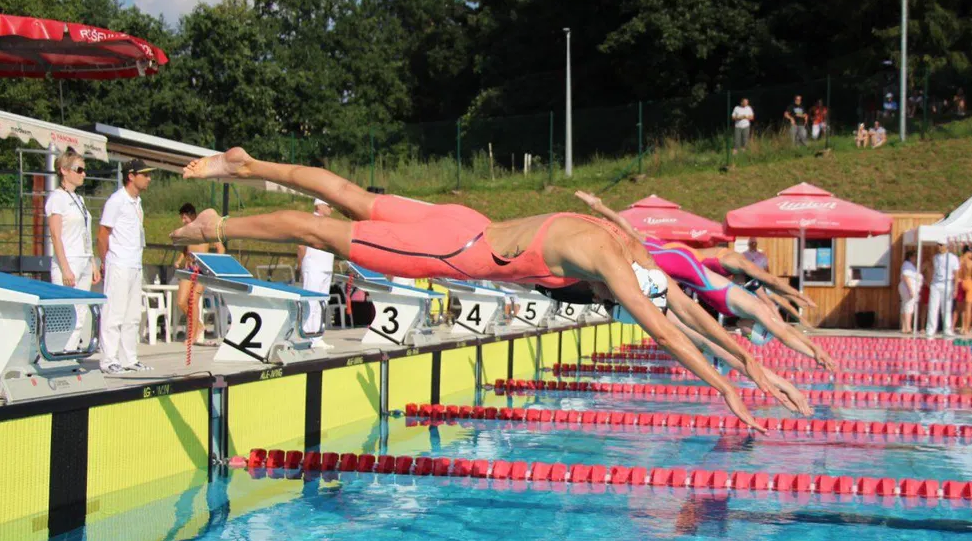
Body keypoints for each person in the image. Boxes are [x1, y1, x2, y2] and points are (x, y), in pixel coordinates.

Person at [171, 148, 802, 430]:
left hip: (464, 220)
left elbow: (687, 310)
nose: (623, 305)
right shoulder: (615, 268)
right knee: (327, 232)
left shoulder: (636, 248)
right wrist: (727, 386)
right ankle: (218, 223)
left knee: (352, 195)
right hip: (456, 250)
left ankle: (246, 165)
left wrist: (748, 359)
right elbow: (667, 328)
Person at [574, 193, 833, 370]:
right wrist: (815, 351)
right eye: (747, 333)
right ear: (755, 328)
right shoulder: (745, 303)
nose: (742, 333)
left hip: (670, 260)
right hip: (673, 261)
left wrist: (599, 207)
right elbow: (782, 328)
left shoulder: (739, 304)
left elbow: (774, 304)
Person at [98, 159, 153, 374]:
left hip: (134, 264)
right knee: (114, 313)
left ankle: (129, 358)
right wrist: (105, 262)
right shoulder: (116, 201)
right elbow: (103, 234)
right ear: (131, 176)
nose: (148, 179)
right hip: (118, 263)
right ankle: (108, 359)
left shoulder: (136, 201)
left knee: (133, 315)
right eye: (144, 174)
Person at [46, 148, 100, 352]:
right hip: (68, 260)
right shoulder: (57, 198)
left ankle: (68, 352)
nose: (83, 174)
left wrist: (93, 262)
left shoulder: (80, 199)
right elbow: (56, 236)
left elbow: (85, 233)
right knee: (65, 311)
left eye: (84, 170)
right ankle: (56, 351)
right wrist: (65, 267)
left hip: (84, 258)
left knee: (81, 312)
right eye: (79, 169)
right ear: (64, 170)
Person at [174, 203, 224, 347]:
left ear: (192, 215)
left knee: (193, 301)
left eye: (185, 218)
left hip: (202, 270)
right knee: (181, 302)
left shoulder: (205, 229)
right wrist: (179, 260)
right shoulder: (187, 232)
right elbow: (186, 249)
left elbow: (220, 248)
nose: (183, 221)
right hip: (189, 269)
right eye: (181, 218)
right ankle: (199, 325)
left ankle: (193, 334)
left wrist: (215, 267)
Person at [298, 198, 336, 335]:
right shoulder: (310, 221)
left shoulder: (330, 224)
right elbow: (301, 246)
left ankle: (316, 337)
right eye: (329, 206)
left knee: (322, 304)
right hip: (313, 267)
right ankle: (307, 335)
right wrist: (301, 266)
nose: (332, 209)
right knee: (310, 303)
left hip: (326, 267)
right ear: (319, 206)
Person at [924, 241, 959, 337]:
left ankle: (947, 329)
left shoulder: (953, 258)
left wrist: (955, 288)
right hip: (936, 284)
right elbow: (933, 270)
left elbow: (956, 274)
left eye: (941, 245)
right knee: (933, 307)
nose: (939, 247)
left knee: (946, 308)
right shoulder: (935, 257)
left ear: (946, 246)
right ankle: (930, 329)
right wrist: (929, 282)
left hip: (947, 283)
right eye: (938, 245)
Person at [957, 246, 972, 336]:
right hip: (969, 282)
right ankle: (966, 328)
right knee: (968, 308)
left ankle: (962, 327)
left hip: (960, 282)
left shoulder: (958, 260)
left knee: (961, 308)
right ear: (968, 252)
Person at [898, 250, 921, 333]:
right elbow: (906, 277)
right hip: (908, 287)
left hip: (907, 287)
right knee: (908, 306)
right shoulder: (907, 265)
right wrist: (910, 290)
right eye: (915, 257)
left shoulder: (909, 265)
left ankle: (904, 327)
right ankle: (908, 327)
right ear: (910, 257)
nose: (916, 259)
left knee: (905, 306)